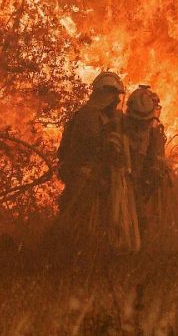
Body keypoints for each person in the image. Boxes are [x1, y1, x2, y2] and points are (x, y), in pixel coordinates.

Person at [53, 71, 141, 253]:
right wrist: (107, 145)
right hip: (83, 176)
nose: (117, 100)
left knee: (102, 223)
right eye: (113, 96)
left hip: (100, 176)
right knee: (76, 218)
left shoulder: (110, 116)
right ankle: (60, 254)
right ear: (103, 95)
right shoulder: (87, 116)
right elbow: (87, 148)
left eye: (118, 96)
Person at [125, 84, 178, 248]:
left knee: (143, 225)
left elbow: (153, 163)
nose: (142, 127)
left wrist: (155, 173)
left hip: (140, 189)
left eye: (146, 122)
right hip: (119, 188)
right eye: (138, 122)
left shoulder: (153, 135)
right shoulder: (117, 130)